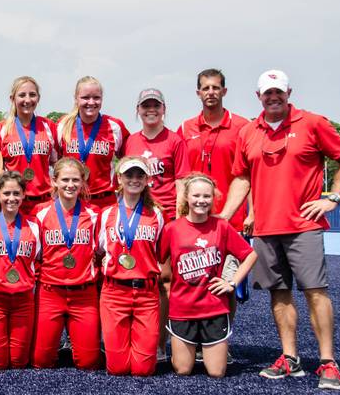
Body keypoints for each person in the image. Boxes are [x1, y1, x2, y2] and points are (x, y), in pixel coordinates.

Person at [220, 70, 340, 390]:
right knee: (278, 294)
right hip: (266, 230)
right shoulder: (249, 132)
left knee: (315, 291)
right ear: (259, 97)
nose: (273, 97)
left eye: (278, 92)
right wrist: (224, 216)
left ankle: (327, 362)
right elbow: (241, 177)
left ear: (289, 92)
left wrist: (333, 197)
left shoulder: (312, 123)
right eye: (267, 93)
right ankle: (289, 358)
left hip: (303, 225)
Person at [177, 69, 252, 363]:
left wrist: (248, 212)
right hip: (192, 222)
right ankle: (191, 341)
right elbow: (181, 176)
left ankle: (222, 340)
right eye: (205, 88)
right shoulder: (185, 128)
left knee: (225, 284)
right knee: (192, 279)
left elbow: (249, 173)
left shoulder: (243, 127)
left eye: (216, 87)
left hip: (227, 221)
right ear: (198, 93)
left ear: (224, 91)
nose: (210, 92)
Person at [160, 173, 257, 378]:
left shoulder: (221, 226)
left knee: (216, 373)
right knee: (183, 370)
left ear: (213, 199)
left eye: (207, 196)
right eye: (196, 196)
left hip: (213, 308)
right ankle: (190, 349)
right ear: (186, 197)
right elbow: (157, 259)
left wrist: (231, 282)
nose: (201, 201)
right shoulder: (172, 229)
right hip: (182, 308)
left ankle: (205, 347)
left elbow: (250, 255)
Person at [123, 88, 191, 362]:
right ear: (138, 109)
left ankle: (162, 342)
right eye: (145, 105)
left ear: (164, 108)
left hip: (166, 219)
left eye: (156, 105)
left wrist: (178, 219)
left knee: (165, 280)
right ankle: (133, 336)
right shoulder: (131, 141)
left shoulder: (175, 140)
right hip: (138, 218)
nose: (150, 110)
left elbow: (181, 182)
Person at [97, 157, 164, 376]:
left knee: (143, 370)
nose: (134, 180)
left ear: (147, 180)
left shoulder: (157, 214)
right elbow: (98, 249)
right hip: (114, 293)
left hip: (146, 293)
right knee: (117, 368)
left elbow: (161, 252)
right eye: (129, 175)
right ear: (119, 178)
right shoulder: (106, 214)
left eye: (139, 176)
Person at [32, 157, 101, 370]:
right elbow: (33, 252)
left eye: (75, 180)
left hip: (83, 294)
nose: (70, 185)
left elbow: (102, 248)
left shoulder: (94, 214)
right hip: (50, 292)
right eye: (65, 180)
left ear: (82, 183)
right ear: (54, 181)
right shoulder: (40, 213)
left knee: (89, 363)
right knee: (40, 362)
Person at [0, 171, 40, 369]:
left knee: (19, 362)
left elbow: (39, 257)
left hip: (23, 300)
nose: (11, 198)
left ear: (23, 195)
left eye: (16, 193)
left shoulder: (35, 225)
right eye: (6, 193)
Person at [56, 76, 129, 210]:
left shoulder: (114, 126)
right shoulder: (63, 125)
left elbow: (128, 160)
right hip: (72, 201)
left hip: (105, 202)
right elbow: (55, 162)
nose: (91, 102)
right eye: (85, 97)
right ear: (76, 99)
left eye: (96, 97)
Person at [0, 76, 58, 215]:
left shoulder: (48, 126)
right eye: (22, 95)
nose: (27, 100)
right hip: (13, 202)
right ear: (12, 99)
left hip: (45, 201)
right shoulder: (2, 129)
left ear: (38, 98)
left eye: (32, 95)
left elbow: (57, 163)